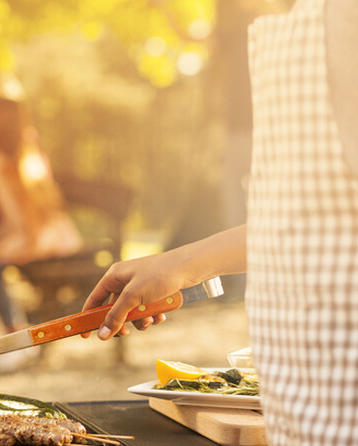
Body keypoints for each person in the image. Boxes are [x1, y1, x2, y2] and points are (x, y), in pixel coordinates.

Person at [83, 1, 358, 443]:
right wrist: (183, 264)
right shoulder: (297, 24)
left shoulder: (348, 23)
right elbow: (310, 223)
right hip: (302, 406)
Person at [0, 97, 82, 331]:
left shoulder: (17, 154)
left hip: (40, 230)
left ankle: (15, 333)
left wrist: (31, 241)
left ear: (2, 118)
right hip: (20, 229)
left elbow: (32, 202)